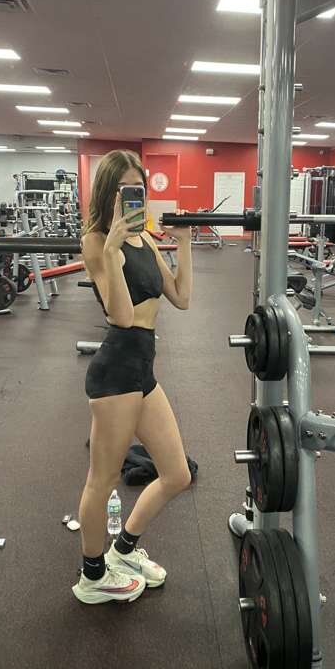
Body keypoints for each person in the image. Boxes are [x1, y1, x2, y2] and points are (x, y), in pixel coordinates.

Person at [73, 150, 193, 604]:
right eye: (125, 188)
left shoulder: (144, 239)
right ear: (109, 192)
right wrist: (111, 250)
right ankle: (92, 576)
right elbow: (121, 316)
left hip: (143, 371)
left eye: (138, 187)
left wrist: (183, 243)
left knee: (177, 474)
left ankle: (123, 550)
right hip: (116, 374)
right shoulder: (95, 242)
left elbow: (180, 297)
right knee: (101, 481)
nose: (133, 195)